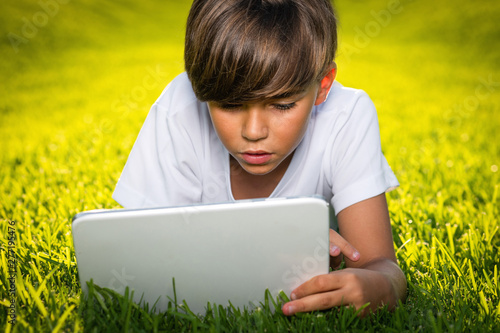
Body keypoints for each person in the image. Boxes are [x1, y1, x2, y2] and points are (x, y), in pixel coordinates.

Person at [112, 0, 407, 316]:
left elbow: (381, 265)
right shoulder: (179, 109)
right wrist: (273, 242)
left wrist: (382, 285)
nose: (253, 132)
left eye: (282, 105)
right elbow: (146, 261)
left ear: (323, 85)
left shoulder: (347, 117)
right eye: (230, 104)